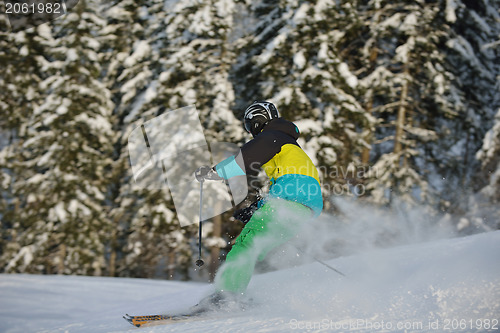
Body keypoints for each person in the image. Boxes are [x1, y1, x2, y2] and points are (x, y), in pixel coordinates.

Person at [195, 101, 323, 308]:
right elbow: (291, 180)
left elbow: (243, 159)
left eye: (248, 125)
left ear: (256, 119)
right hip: (304, 209)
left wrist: (213, 173)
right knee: (254, 247)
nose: (249, 131)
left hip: (288, 203)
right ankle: (234, 294)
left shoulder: (272, 136)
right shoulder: (289, 145)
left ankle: (228, 296)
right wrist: (257, 207)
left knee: (246, 246)